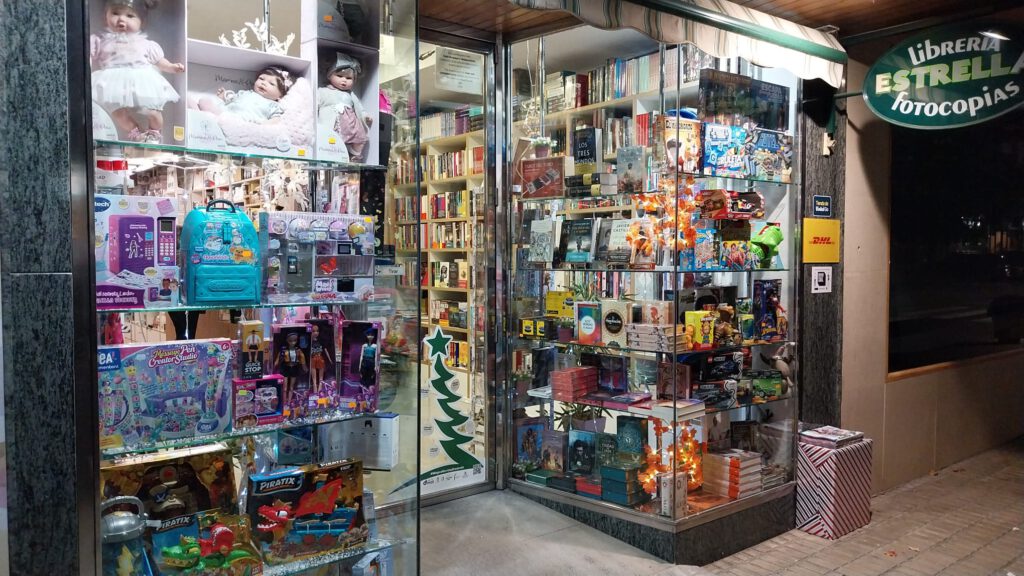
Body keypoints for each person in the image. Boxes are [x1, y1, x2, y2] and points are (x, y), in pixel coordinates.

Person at [91, 0, 184, 143]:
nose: (121, 19)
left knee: (153, 112)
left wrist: (172, 67)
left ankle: (154, 133)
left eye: (130, 16)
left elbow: (160, 61)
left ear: (142, 22)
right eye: (115, 13)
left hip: (141, 80)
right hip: (113, 82)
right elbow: (88, 56)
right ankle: (136, 133)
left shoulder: (146, 44)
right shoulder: (99, 40)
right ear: (105, 17)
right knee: (118, 113)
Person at [318, 53, 372, 162]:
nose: (344, 80)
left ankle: (354, 155)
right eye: (339, 76)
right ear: (329, 75)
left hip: (352, 126)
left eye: (349, 78)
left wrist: (365, 116)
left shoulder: (350, 94)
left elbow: (359, 108)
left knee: (361, 138)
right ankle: (332, 156)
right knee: (332, 142)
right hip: (334, 125)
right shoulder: (323, 91)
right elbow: (315, 104)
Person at [199, 66, 294, 124]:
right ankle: (198, 112)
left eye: (271, 83)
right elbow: (233, 99)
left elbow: (276, 120)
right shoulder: (246, 92)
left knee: (207, 107)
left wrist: (264, 125)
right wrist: (224, 96)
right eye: (261, 79)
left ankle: (205, 113)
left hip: (243, 121)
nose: (263, 83)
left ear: (280, 96)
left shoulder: (273, 105)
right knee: (205, 102)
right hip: (227, 112)